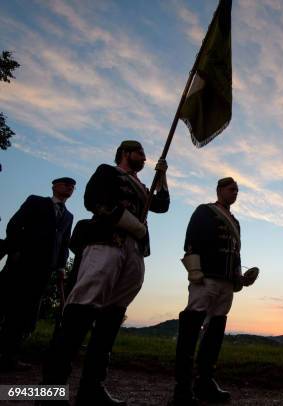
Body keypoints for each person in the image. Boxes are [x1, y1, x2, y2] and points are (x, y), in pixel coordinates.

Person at [41, 140, 170, 406]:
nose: (144, 158)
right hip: (106, 242)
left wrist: (163, 176)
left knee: (112, 317)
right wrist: (130, 222)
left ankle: (92, 388)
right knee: (82, 310)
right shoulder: (107, 172)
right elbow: (94, 202)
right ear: (125, 153)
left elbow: (162, 206)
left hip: (134, 251)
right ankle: (51, 391)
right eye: (140, 153)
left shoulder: (143, 188)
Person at [172, 177, 257, 406]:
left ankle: (205, 382)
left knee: (216, 330)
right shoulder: (205, 211)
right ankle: (182, 389)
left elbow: (236, 253)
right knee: (191, 326)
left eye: (237, 190)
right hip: (206, 277)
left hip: (226, 281)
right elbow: (191, 241)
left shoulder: (236, 223)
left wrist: (239, 277)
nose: (235, 193)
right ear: (219, 190)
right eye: (231, 189)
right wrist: (195, 269)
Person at [0, 177, 75, 371]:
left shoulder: (68, 216)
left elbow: (64, 244)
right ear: (54, 186)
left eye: (72, 186)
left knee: (26, 314)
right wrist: (15, 251)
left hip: (43, 272)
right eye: (66, 184)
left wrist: (60, 267)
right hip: (20, 265)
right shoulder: (36, 202)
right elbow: (14, 224)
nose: (70, 187)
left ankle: (10, 357)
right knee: (6, 305)